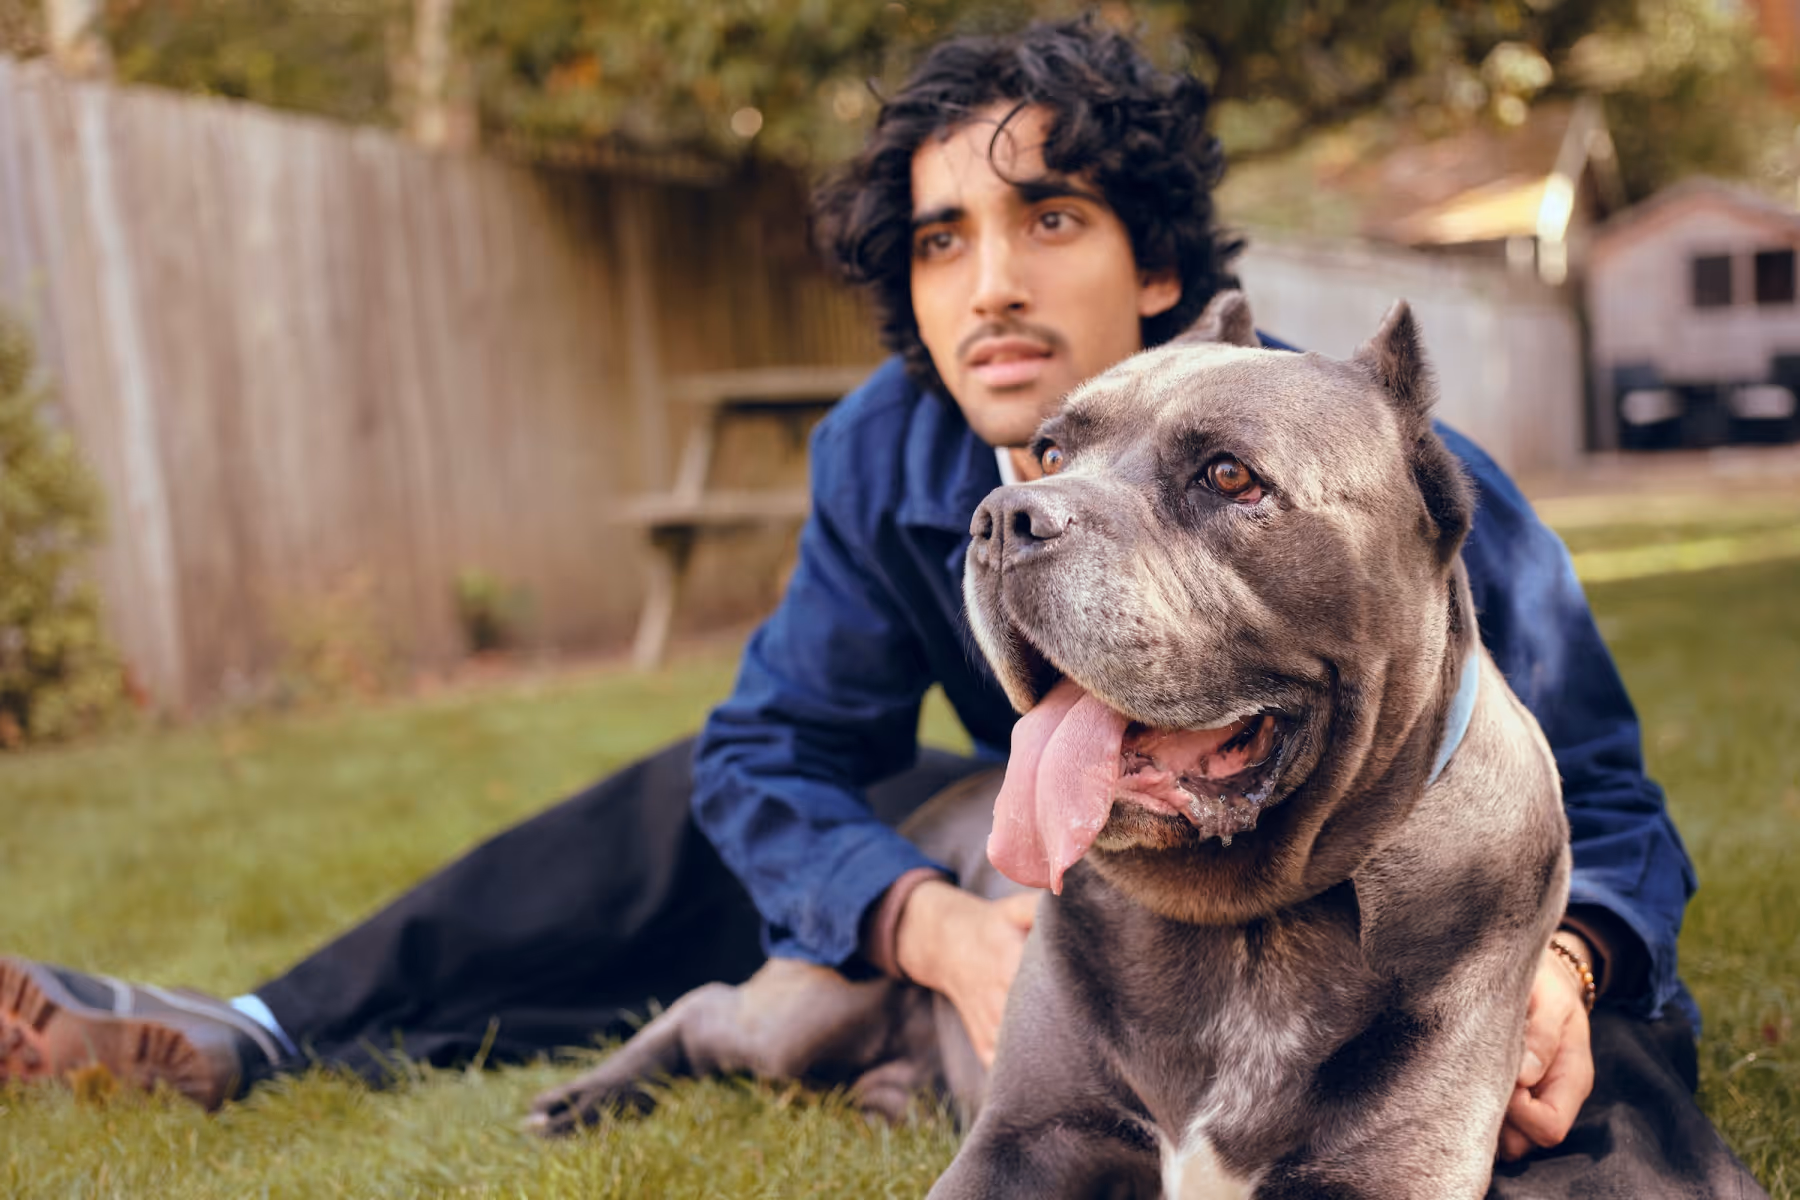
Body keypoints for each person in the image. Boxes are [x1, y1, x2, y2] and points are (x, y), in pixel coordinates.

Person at [0, 19, 1765, 1197]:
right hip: (1053, 818)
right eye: (935, 241)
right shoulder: (894, 454)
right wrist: (934, 929)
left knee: (1596, 1094)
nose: (986, 282)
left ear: (1159, 266)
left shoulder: (1361, 472)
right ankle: (266, 1030)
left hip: (1296, 846)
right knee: (704, 798)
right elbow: (775, 757)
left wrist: (1565, 961)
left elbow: (1592, 800)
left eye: (1046, 216)